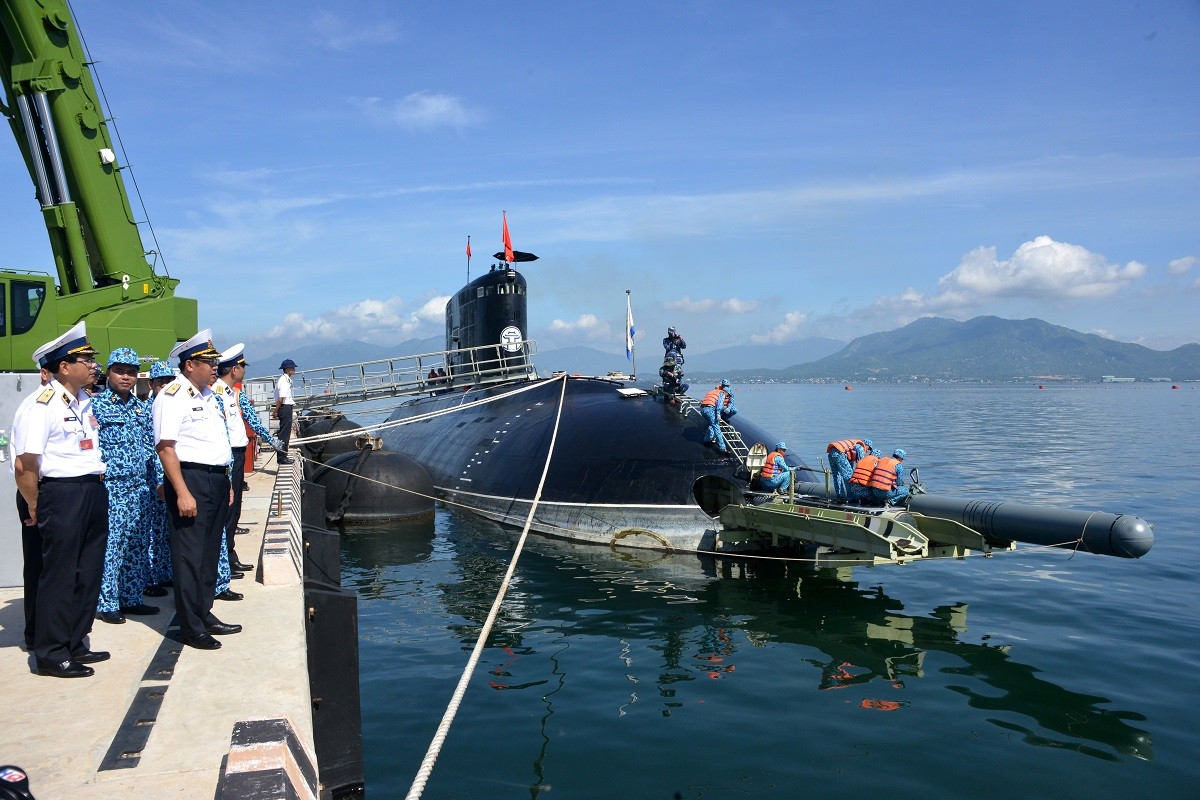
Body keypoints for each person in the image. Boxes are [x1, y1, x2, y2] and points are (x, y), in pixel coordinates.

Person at [12, 322, 109, 677]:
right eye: (85, 359)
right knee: (59, 574)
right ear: (64, 367)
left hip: (92, 490)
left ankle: (75, 640)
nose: (93, 365)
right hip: (61, 493)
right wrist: (37, 506)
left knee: (88, 572)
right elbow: (25, 465)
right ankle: (51, 652)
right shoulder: (41, 405)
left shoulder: (84, 402)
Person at [154, 329, 241, 650]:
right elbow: (166, 448)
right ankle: (191, 626)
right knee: (189, 556)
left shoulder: (209, 396)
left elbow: (216, 442)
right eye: (208, 362)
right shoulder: (172, 396)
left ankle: (204, 613)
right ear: (190, 364)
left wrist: (226, 483)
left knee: (208, 552)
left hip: (216, 480)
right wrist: (182, 491)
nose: (215, 367)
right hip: (190, 479)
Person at [93, 348, 159, 624]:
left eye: (132, 372)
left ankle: (131, 597)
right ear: (109, 372)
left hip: (140, 487)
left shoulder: (140, 407)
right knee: (113, 545)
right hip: (113, 487)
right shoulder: (95, 406)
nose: (126, 377)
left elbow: (150, 448)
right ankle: (108, 602)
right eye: (120, 371)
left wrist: (156, 483)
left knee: (137, 543)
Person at [214, 344, 282, 577]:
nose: (244, 370)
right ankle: (223, 561)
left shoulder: (234, 394)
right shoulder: (216, 394)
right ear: (234, 369)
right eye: (242, 366)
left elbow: (252, 419)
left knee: (234, 511)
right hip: (227, 457)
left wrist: (270, 439)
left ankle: (230, 556)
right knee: (227, 511)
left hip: (238, 455)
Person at [10, 363, 52, 651]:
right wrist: (34, 504)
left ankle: (55, 631)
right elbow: (23, 465)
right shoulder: (35, 405)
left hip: (54, 493)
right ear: (46, 373)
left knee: (57, 567)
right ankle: (36, 633)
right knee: (39, 566)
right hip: (36, 492)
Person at [143, 360, 175, 597]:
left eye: (169, 381)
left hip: (170, 476)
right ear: (152, 384)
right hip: (151, 478)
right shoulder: (145, 410)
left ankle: (165, 573)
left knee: (166, 529)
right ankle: (151, 577)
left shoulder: (174, 405)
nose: (165, 385)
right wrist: (155, 480)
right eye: (160, 381)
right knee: (150, 531)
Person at [700, 379, 735, 453]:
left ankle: (707, 439)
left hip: (703, 409)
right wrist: (718, 414)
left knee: (712, 424)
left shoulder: (712, 391)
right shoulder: (722, 393)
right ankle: (722, 448)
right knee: (716, 427)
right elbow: (719, 405)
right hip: (710, 409)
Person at [273, 358, 297, 463]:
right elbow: (281, 398)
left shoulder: (286, 379)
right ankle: (281, 457)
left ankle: (283, 455)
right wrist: (276, 410)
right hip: (285, 407)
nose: (294, 369)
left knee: (285, 433)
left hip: (286, 406)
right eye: (292, 367)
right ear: (286, 369)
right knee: (284, 434)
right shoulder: (284, 380)